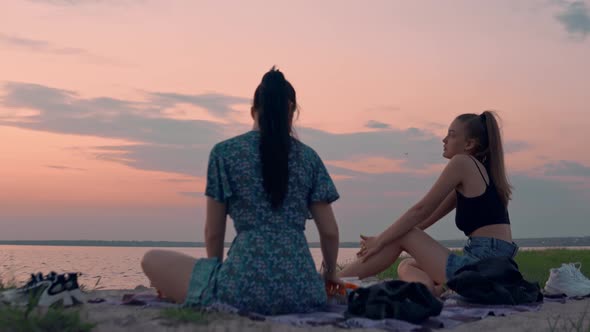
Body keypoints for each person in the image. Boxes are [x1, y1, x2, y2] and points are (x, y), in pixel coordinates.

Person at [141, 67, 342, 314]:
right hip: (304, 292)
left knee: (151, 259)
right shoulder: (309, 158)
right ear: (291, 111)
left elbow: (214, 232)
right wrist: (330, 276)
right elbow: (330, 232)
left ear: (253, 111)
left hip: (238, 290)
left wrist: (212, 275)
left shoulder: (224, 153)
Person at [339, 111, 518, 295]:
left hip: (483, 265)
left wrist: (380, 241)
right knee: (406, 264)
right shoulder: (480, 173)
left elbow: (421, 209)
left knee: (404, 234)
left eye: (451, 134)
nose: (444, 139)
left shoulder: (462, 162)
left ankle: (331, 284)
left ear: (469, 144)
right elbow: (425, 220)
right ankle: (431, 292)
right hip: (494, 265)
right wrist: (386, 240)